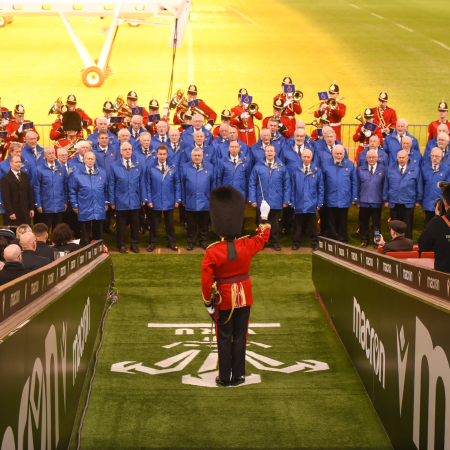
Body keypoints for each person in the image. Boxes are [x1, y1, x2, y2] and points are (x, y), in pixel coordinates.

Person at [201, 186, 271, 386]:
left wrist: (208, 303)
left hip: (223, 299)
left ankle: (224, 377)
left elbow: (206, 281)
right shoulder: (246, 244)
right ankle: (239, 375)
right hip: (244, 296)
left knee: (224, 338)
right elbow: (263, 237)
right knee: (240, 337)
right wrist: (264, 216)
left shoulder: (212, 252)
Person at [248, 144, 290, 251]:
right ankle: (261, 243)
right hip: (262, 201)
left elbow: (287, 184)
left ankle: (275, 242)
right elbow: (252, 183)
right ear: (265, 152)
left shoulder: (282, 167)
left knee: (275, 225)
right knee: (262, 224)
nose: (270, 153)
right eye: (268, 151)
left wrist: (286, 200)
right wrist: (253, 199)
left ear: (275, 153)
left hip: (276, 201)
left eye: (271, 151)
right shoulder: (258, 166)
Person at [109, 142, 148, 253]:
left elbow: (142, 183)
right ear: (121, 151)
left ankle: (134, 245)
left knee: (135, 224)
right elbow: (111, 184)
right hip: (120, 200)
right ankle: (121, 245)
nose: (127, 151)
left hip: (135, 200)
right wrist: (112, 200)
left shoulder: (138, 164)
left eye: (129, 149)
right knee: (121, 225)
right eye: (125, 149)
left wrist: (143, 198)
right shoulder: (114, 165)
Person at [69, 151, 109, 246]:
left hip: (99, 205)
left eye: (92, 159)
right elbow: (72, 190)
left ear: (95, 160)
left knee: (98, 230)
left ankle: (99, 248)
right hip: (84, 206)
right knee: (85, 230)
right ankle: (86, 248)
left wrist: (106, 202)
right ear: (84, 160)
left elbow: (106, 189)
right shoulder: (76, 173)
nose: (90, 161)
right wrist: (75, 205)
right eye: (88, 159)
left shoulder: (102, 172)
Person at [145, 145, 180, 252]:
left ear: (167, 154)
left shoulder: (173, 167)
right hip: (155, 201)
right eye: (160, 154)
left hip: (169, 200)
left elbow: (177, 184)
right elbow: (148, 185)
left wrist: (177, 199)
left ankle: (171, 242)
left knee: (170, 224)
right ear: (156, 154)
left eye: (164, 154)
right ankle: (152, 243)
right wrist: (149, 200)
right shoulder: (150, 167)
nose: (162, 156)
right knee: (154, 224)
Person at [383, 150, 423, 240]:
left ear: (407, 158)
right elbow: (386, 185)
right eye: (399, 158)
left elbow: (419, 185)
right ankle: (395, 243)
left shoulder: (415, 169)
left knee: (407, 226)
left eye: (403, 157)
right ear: (397, 158)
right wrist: (385, 199)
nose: (401, 159)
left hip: (408, 202)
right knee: (395, 226)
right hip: (394, 201)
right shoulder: (390, 169)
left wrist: (418, 200)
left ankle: (407, 243)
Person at [321, 145, 357, 243]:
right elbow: (321, 182)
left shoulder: (350, 165)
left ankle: (343, 240)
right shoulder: (325, 164)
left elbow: (354, 182)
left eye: (341, 153)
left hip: (344, 198)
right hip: (330, 198)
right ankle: (332, 240)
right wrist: (322, 197)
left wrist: (354, 197)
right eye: (337, 153)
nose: (339, 156)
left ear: (344, 154)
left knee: (343, 221)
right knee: (331, 221)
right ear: (332, 153)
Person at [181, 148, 215, 250]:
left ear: (202, 156)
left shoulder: (210, 167)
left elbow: (213, 183)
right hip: (190, 201)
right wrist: (183, 200)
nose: (197, 157)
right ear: (191, 156)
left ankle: (203, 241)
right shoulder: (185, 167)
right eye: (195, 155)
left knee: (203, 224)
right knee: (191, 224)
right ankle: (191, 242)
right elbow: (182, 185)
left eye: (199, 155)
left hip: (205, 201)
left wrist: (212, 199)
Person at [290, 149, 323, 250]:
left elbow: (321, 188)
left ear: (311, 157)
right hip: (299, 202)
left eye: (308, 157)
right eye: (304, 157)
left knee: (313, 225)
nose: (306, 159)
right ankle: (296, 242)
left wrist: (319, 203)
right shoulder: (296, 170)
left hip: (312, 202)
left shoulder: (317, 170)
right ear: (301, 157)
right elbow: (292, 187)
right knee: (298, 224)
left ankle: (314, 243)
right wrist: (292, 202)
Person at [356, 150, 387, 247]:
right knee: (364, 222)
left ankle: (377, 241)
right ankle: (364, 240)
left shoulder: (383, 169)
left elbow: (385, 186)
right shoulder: (360, 169)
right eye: (369, 157)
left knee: (376, 224)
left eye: (373, 157)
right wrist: (357, 200)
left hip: (376, 201)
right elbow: (357, 185)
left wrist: (384, 199)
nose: (371, 159)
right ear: (366, 158)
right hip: (364, 201)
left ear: (377, 158)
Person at [33, 147, 68, 233]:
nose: (52, 155)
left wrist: (65, 201)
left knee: (58, 230)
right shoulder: (39, 169)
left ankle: (56, 241)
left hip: (59, 205)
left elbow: (65, 186)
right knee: (45, 229)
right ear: (45, 156)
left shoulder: (62, 168)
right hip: (46, 205)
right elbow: (36, 188)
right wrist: (38, 204)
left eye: (53, 153)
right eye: (49, 153)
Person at [418, 184, 450, 273]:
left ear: (445, 202)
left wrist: (436, 217)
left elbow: (423, 246)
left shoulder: (437, 223)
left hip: (443, 276)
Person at [1, 155, 34, 226]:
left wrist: (31, 208)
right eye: (16, 162)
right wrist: (10, 212)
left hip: (25, 213)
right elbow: (5, 198)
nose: (19, 164)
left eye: (19, 162)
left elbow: (29, 193)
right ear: (10, 163)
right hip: (14, 213)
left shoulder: (25, 176)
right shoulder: (5, 178)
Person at [421, 148, 450, 227]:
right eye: (433, 156)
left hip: (441, 201)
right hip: (427, 201)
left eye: (437, 156)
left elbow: (447, 187)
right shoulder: (424, 169)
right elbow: (421, 185)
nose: (434, 158)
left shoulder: (447, 170)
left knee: (440, 225)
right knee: (428, 224)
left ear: (441, 157)